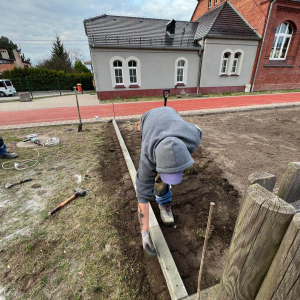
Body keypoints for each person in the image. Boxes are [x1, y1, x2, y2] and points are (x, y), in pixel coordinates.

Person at [136, 107, 202, 256]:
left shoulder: (192, 136)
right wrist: (145, 233)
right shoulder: (147, 156)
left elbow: (199, 131)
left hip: (172, 113)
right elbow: (142, 196)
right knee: (157, 181)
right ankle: (163, 198)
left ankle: (164, 200)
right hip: (147, 117)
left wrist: (186, 154)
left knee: (163, 178)